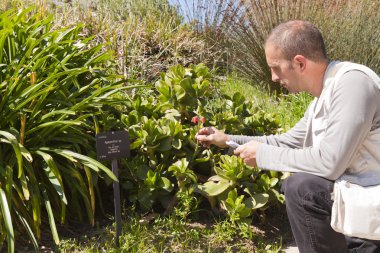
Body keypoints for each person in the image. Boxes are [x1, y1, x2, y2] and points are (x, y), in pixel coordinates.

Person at [196, 20, 380, 253]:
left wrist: (262, 156)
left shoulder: (353, 83)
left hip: (371, 215)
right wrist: (226, 139)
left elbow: (329, 162)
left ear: (299, 63)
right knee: (303, 185)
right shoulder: (321, 99)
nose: (273, 77)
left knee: (302, 188)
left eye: (275, 67)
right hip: (357, 213)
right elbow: (288, 141)